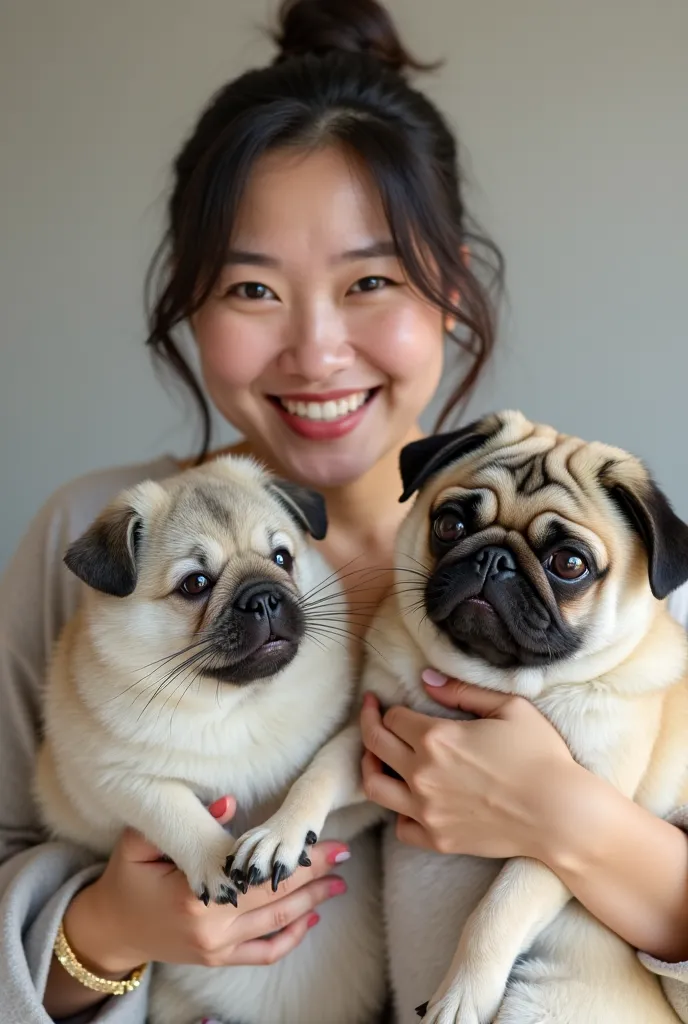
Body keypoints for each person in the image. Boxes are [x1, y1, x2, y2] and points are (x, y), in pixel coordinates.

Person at [1, 0, 687, 1021]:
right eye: (250, 290)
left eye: (371, 278)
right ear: (189, 302)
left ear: (452, 288)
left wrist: (574, 823)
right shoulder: (101, 538)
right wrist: (113, 929)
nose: (317, 349)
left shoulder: (605, 566)